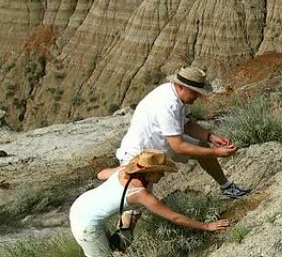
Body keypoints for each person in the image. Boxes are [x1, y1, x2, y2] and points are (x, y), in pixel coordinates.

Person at [70, 149, 231, 257]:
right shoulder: (139, 194)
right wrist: (207, 226)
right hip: (86, 225)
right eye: (159, 171)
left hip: (80, 205)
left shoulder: (125, 170)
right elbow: (175, 217)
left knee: (107, 253)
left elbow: (101, 173)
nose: (162, 175)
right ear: (148, 172)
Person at [97, 66, 249, 199]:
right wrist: (217, 152)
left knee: (202, 145)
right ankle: (112, 184)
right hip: (141, 154)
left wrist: (211, 137)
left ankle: (226, 187)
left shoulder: (181, 99)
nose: (197, 96)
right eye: (194, 92)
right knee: (138, 195)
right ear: (181, 87)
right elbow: (178, 146)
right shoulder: (168, 104)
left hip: (162, 146)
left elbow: (186, 125)